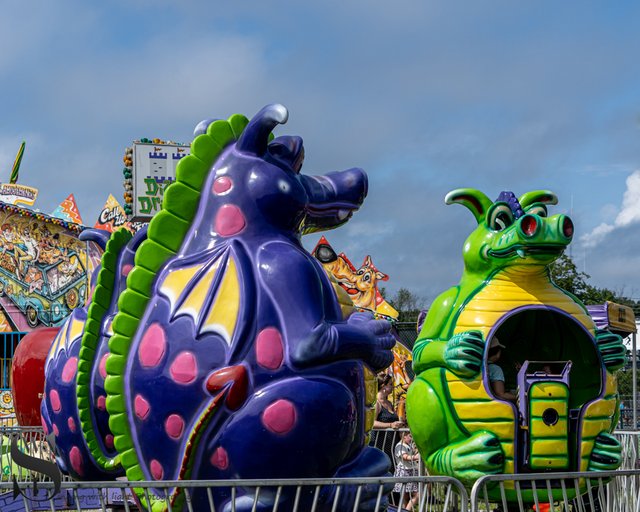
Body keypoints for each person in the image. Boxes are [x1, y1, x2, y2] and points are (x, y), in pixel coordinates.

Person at [370, 372, 404, 463]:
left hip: (391, 444)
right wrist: (390, 424)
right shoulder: (376, 403)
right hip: (379, 445)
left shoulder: (389, 403)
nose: (393, 387)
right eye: (390, 384)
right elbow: (372, 423)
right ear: (383, 386)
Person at [393, 430, 420, 511]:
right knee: (414, 495)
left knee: (408, 495)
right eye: (410, 436)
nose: (412, 439)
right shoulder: (400, 446)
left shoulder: (409, 445)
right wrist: (415, 457)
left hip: (411, 472)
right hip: (404, 472)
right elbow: (405, 457)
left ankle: (405, 510)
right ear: (404, 435)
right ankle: (406, 510)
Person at [488, 337, 517, 402]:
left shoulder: (483, 367)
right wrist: (520, 397)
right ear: (498, 353)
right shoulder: (495, 369)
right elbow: (501, 394)